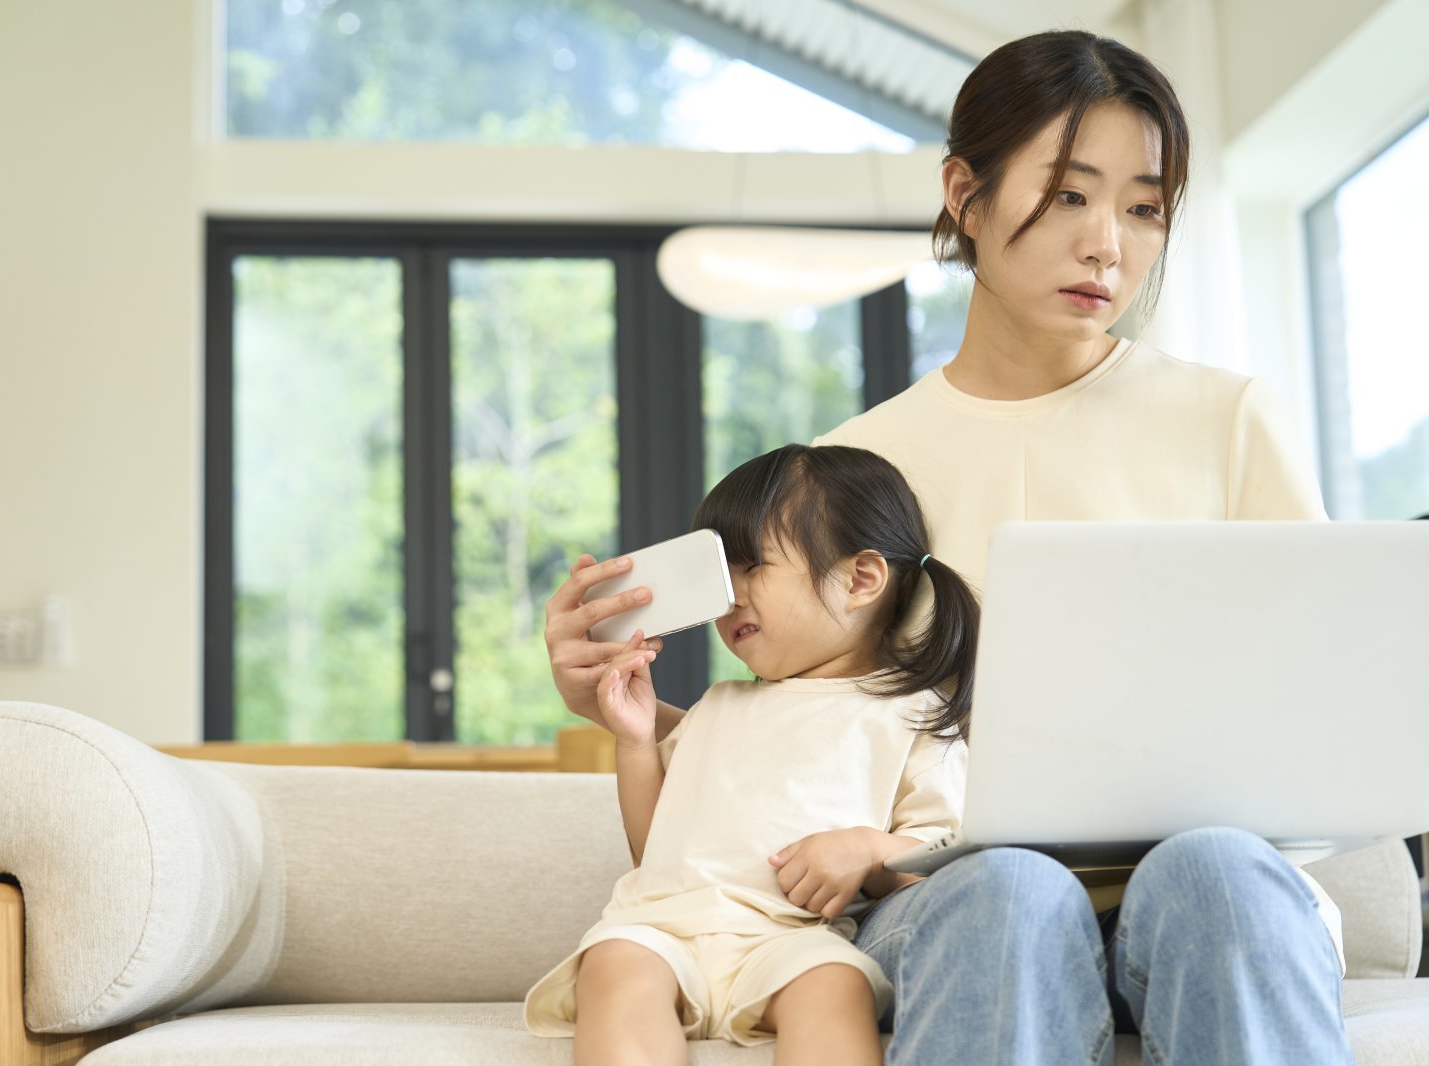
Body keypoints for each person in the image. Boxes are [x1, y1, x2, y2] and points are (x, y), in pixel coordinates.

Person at [543, 28, 1353, 1066]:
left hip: (1200, 894)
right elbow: (799, 739)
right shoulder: (847, 468)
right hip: (949, 900)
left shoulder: (1229, 420)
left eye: (1143, 207)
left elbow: (1318, 723)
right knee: (1007, 885)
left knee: (1221, 872)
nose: (1108, 241)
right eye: (1068, 194)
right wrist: (611, 703)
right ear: (965, 195)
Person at [525, 444, 979, 1065]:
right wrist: (634, 742)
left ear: (862, 579)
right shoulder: (719, 704)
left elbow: (946, 860)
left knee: (835, 985)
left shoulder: (912, 713)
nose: (727, 596)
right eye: (718, 574)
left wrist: (869, 849)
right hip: (662, 929)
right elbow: (653, 853)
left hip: (794, 940)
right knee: (614, 964)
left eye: (751, 566)